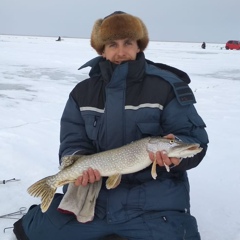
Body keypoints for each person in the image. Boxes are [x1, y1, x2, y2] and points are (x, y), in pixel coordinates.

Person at [13, 11, 209, 240]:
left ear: (139, 46)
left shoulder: (166, 88)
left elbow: (195, 142)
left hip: (153, 202)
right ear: (102, 50)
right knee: (37, 231)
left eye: (128, 42)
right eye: (112, 44)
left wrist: (176, 158)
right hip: (96, 196)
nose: (121, 51)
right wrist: (78, 161)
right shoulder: (82, 93)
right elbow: (72, 140)